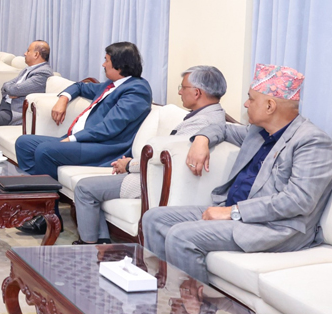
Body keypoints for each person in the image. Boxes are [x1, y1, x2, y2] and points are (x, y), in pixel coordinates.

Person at [142, 64, 332, 284]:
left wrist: (232, 212)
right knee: (154, 218)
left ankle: (192, 304)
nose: (245, 104)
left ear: (270, 106)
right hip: (235, 212)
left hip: (275, 227)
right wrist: (202, 139)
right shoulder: (259, 131)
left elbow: (297, 201)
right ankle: (161, 288)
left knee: (181, 236)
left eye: (251, 99)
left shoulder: (311, 141)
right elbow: (223, 128)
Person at [71, 66, 227, 245]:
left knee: (84, 188)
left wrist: (128, 165)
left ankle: (88, 245)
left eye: (183, 87)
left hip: (153, 181)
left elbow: (162, 159)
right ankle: (102, 242)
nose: (179, 92)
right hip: (155, 174)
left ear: (197, 92)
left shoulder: (201, 123)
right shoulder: (213, 115)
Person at [14, 41, 153, 235]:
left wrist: (72, 139)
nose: (103, 64)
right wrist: (63, 99)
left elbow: (109, 128)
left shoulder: (136, 90)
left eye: (106, 60)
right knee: (24, 143)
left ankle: (49, 217)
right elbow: (80, 86)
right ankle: (39, 204)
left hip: (104, 148)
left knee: (45, 151)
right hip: (84, 141)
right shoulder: (111, 85)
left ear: (120, 66)